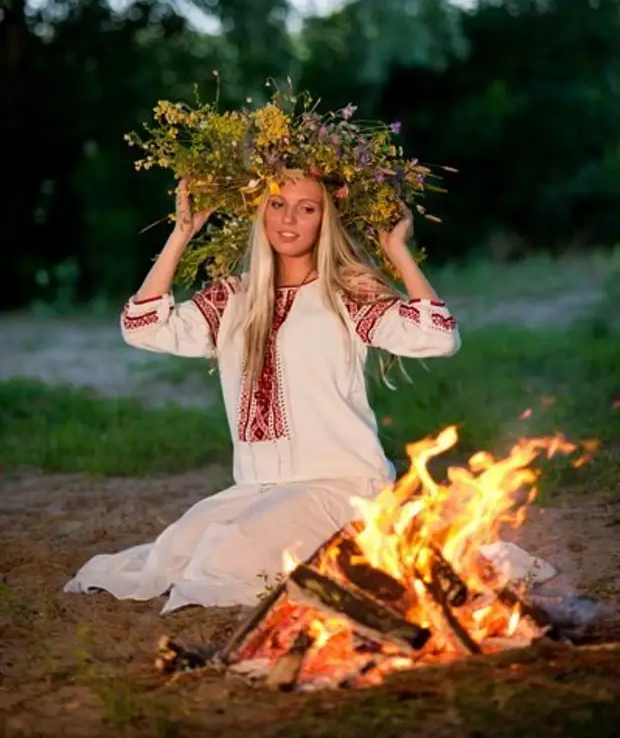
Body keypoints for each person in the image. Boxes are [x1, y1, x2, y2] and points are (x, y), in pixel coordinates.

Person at [64, 171, 462, 612]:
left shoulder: (346, 292)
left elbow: (438, 336)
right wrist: (183, 233)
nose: (288, 219)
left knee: (230, 554)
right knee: (177, 547)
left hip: (340, 484)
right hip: (257, 487)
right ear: (261, 212)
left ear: (326, 220)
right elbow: (142, 327)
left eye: (306, 208)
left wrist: (396, 250)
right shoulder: (234, 296)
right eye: (277, 204)